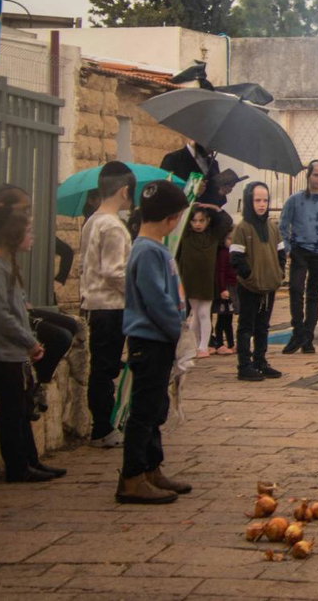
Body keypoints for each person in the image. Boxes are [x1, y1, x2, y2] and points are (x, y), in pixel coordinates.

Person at [0, 204, 65, 482]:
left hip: (14, 352)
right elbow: (0, 315)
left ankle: (31, 460)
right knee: (12, 412)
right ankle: (17, 467)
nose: (32, 236)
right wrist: (29, 342)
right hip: (2, 353)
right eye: (27, 231)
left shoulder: (6, 266)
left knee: (23, 409)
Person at [117, 180, 192, 504]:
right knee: (144, 411)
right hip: (150, 339)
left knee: (156, 406)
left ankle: (152, 467)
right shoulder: (147, 250)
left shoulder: (155, 248)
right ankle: (132, 477)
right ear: (170, 219)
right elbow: (156, 299)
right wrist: (176, 328)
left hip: (159, 338)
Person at [80, 162, 136, 448]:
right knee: (105, 369)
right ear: (125, 191)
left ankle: (102, 424)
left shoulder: (92, 220)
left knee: (103, 367)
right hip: (110, 306)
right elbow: (114, 271)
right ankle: (102, 427)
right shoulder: (112, 226)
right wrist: (136, 293)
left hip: (95, 303)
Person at [230, 182, 286, 382]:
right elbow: (236, 258)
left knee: (263, 326)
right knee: (246, 326)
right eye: (257, 200)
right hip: (249, 287)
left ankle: (260, 361)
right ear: (248, 201)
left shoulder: (272, 227)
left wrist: (278, 273)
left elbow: (281, 253)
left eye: (265, 200)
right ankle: (244, 365)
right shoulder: (242, 228)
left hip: (269, 285)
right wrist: (249, 276)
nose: (262, 204)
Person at [279, 160, 318, 353]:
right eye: (316, 175)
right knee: (296, 288)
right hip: (300, 249)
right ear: (308, 176)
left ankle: (308, 337)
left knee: (314, 294)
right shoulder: (295, 200)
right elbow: (283, 225)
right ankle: (298, 331)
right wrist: (286, 247)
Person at [176, 208, 220, 358]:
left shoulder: (212, 236)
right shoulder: (186, 236)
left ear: (208, 221)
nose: (198, 224)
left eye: (201, 221)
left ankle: (203, 345)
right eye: (194, 221)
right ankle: (196, 345)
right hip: (190, 279)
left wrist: (211, 207)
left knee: (203, 312)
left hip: (207, 280)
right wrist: (193, 206)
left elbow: (225, 221)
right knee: (195, 312)